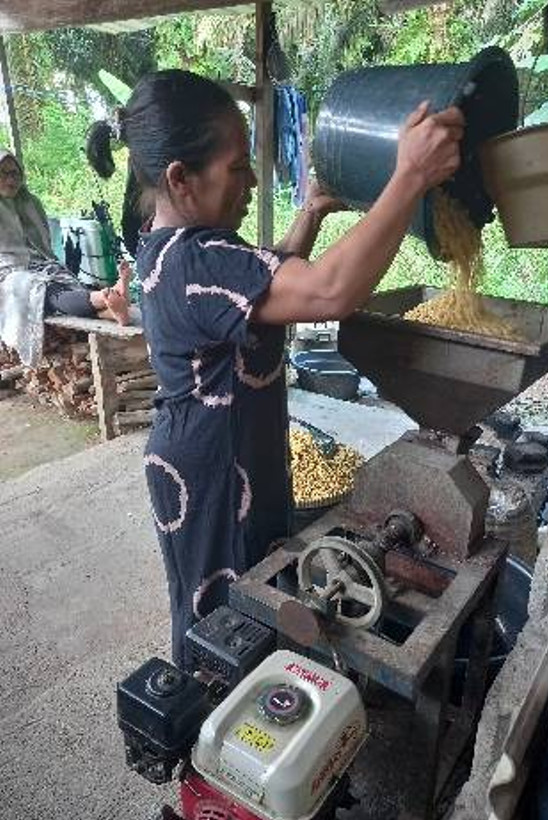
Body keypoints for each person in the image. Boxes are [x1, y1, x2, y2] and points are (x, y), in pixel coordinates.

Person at [86, 69, 463, 670]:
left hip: (216, 453)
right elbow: (327, 292)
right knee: (221, 616)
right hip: (211, 471)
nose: (252, 181)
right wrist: (409, 176)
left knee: (250, 593)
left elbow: (267, 284)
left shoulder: (182, 248)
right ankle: (209, 732)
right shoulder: (197, 257)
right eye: (238, 168)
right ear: (181, 179)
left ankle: (242, 712)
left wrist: (311, 213)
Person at [0, 148, 132, 365]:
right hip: (8, 274)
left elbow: (42, 247)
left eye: (14, 173)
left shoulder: (30, 203)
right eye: (3, 173)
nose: (10, 179)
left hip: (40, 264)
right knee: (38, 288)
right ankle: (105, 297)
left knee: (63, 279)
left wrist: (43, 264)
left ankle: (110, 310)